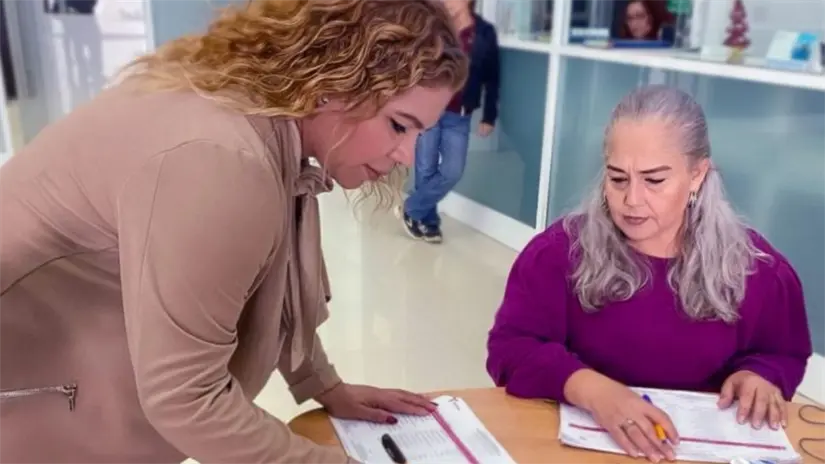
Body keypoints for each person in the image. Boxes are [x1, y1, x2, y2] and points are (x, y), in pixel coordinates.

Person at [0, 0, 467, 463]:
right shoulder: (221, 159)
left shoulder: (244, 105)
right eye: (398, 126)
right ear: (333, 83)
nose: (408, 155)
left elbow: (273, 278)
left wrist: (322, 383)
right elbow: (187, 400)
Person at [486, 86, 812, 463]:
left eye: (654, 180)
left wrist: (761, 375)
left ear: (697, 174)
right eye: (617, 179)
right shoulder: (556, 255)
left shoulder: (759, 270)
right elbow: (511, 350)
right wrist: (593, 391)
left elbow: (783, 352)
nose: (632, 200)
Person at [402, 0, 500, 243]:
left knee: (452, 170)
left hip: (460, 114)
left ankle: (411, 208)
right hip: (429, 110)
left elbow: (492, 76)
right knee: (425, 167)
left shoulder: (484, 33)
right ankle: (428, 223)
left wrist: (489, 115)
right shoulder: (432, 27)